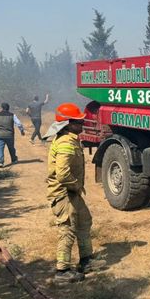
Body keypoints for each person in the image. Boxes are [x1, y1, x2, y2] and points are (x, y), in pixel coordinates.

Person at [45, 102, 105, 283]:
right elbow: (62, 174)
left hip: (72, 193)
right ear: (68, 124)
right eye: (78, 122)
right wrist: (75, 186)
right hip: (65, 194)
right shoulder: (65, 143)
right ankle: (62, 271)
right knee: (67, 229)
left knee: (84, 222)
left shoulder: (70, 139)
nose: (82, 125)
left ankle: (86, 261)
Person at [0, 102, 25, 168]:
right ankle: (14, 159)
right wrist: (22, 131)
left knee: (0, 148)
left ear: (2, 108)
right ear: (8, 108)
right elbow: (19, 124)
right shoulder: (12, 115)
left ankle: (1, 162)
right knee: (11, 147)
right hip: (10, 135)